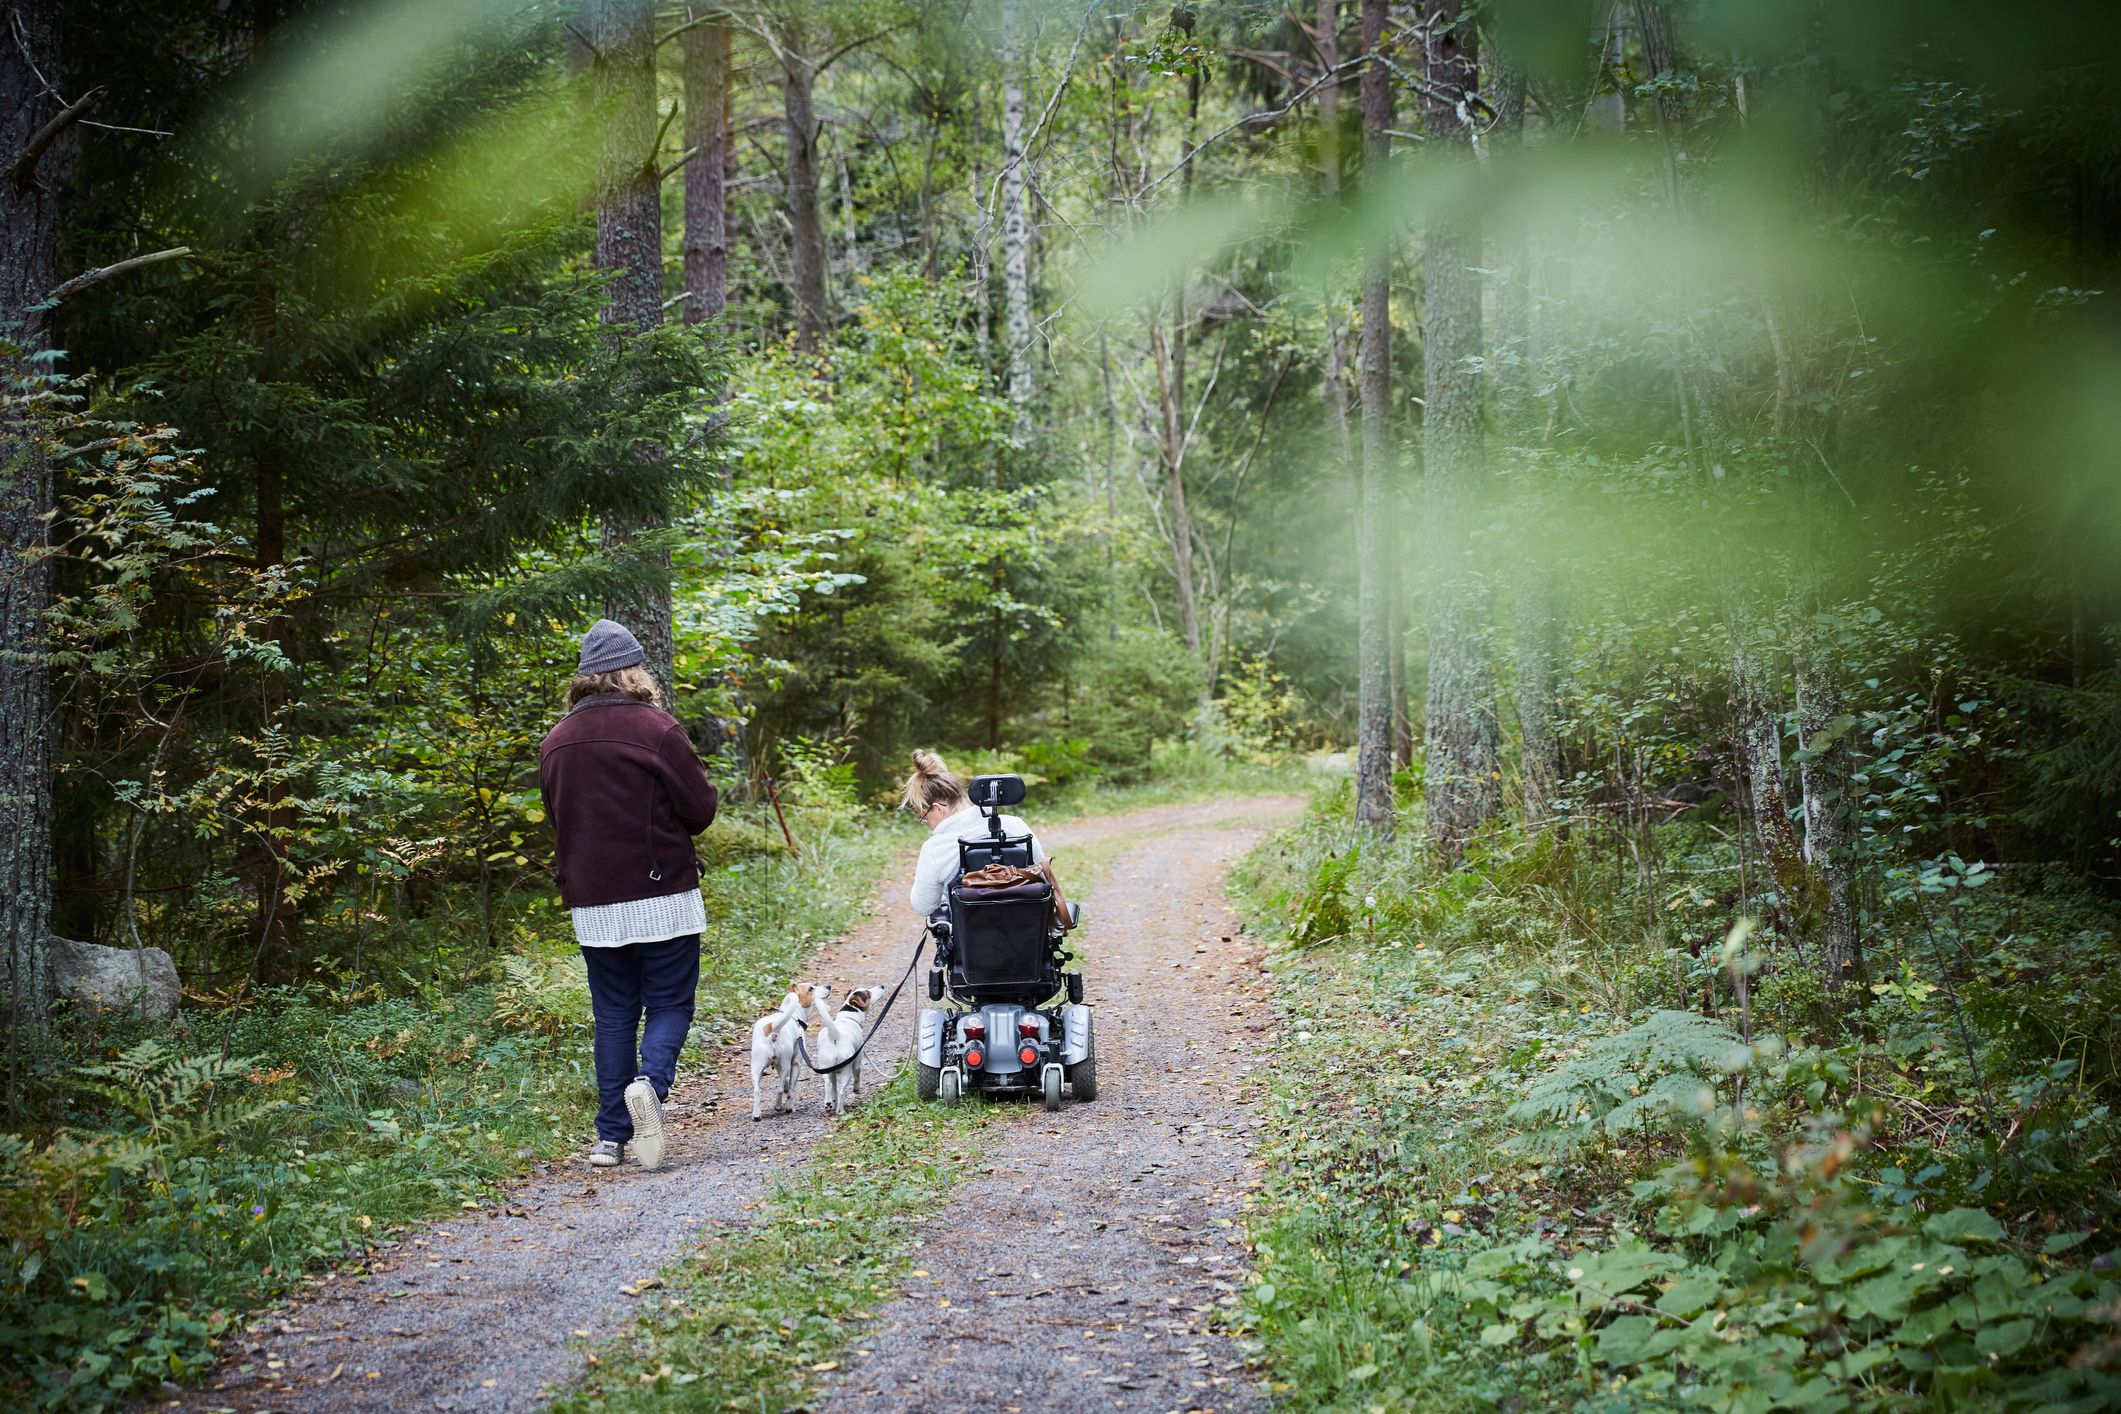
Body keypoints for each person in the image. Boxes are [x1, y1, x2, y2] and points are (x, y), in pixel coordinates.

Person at [538, 620, 718, 1170]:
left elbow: (558, 820)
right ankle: (650, 1086)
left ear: (585, 679)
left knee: (614, 1014)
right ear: (633, 671)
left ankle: (609, 1138)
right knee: (669, 1002)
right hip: (661, 896)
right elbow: (701, 810)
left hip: (592, 903)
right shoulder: (656, 729)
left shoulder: (555, 743)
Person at [904, 749, 1046, 917]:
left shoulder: (935, 849)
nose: (927, 825)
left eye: (925, 818)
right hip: (1027, 933)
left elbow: (923, 907)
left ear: (937, 809)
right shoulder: (1015, 826)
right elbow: (1042, 873)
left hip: (971, 938)